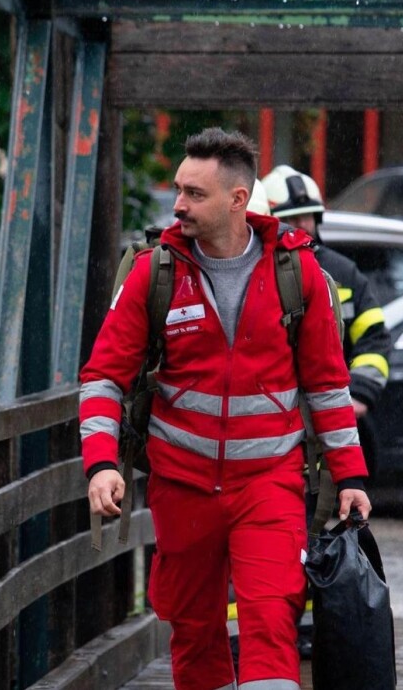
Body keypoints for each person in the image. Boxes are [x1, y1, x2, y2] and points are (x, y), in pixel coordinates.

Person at [80, 128, 371, 690]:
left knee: (270, 621)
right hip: (181, 486)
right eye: (179, 190)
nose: (179, 205)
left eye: (195, 193)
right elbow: (102, 378)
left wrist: (350, 475)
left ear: (239, 200)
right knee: (194, 630)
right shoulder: (153, 272)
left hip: (269, 485)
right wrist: (101, 463)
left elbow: (328, 386)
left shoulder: (297, 272)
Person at [261, 164, 393, 657]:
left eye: (310, 220)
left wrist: (357, 395)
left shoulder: (344, 274)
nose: (305, 232)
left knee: (330, 533)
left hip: (337, 433)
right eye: (294, 220)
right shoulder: (264, 271)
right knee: (282, 531)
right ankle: (274, 633)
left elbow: (377, 340)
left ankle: (319, 635)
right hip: (282, 431)